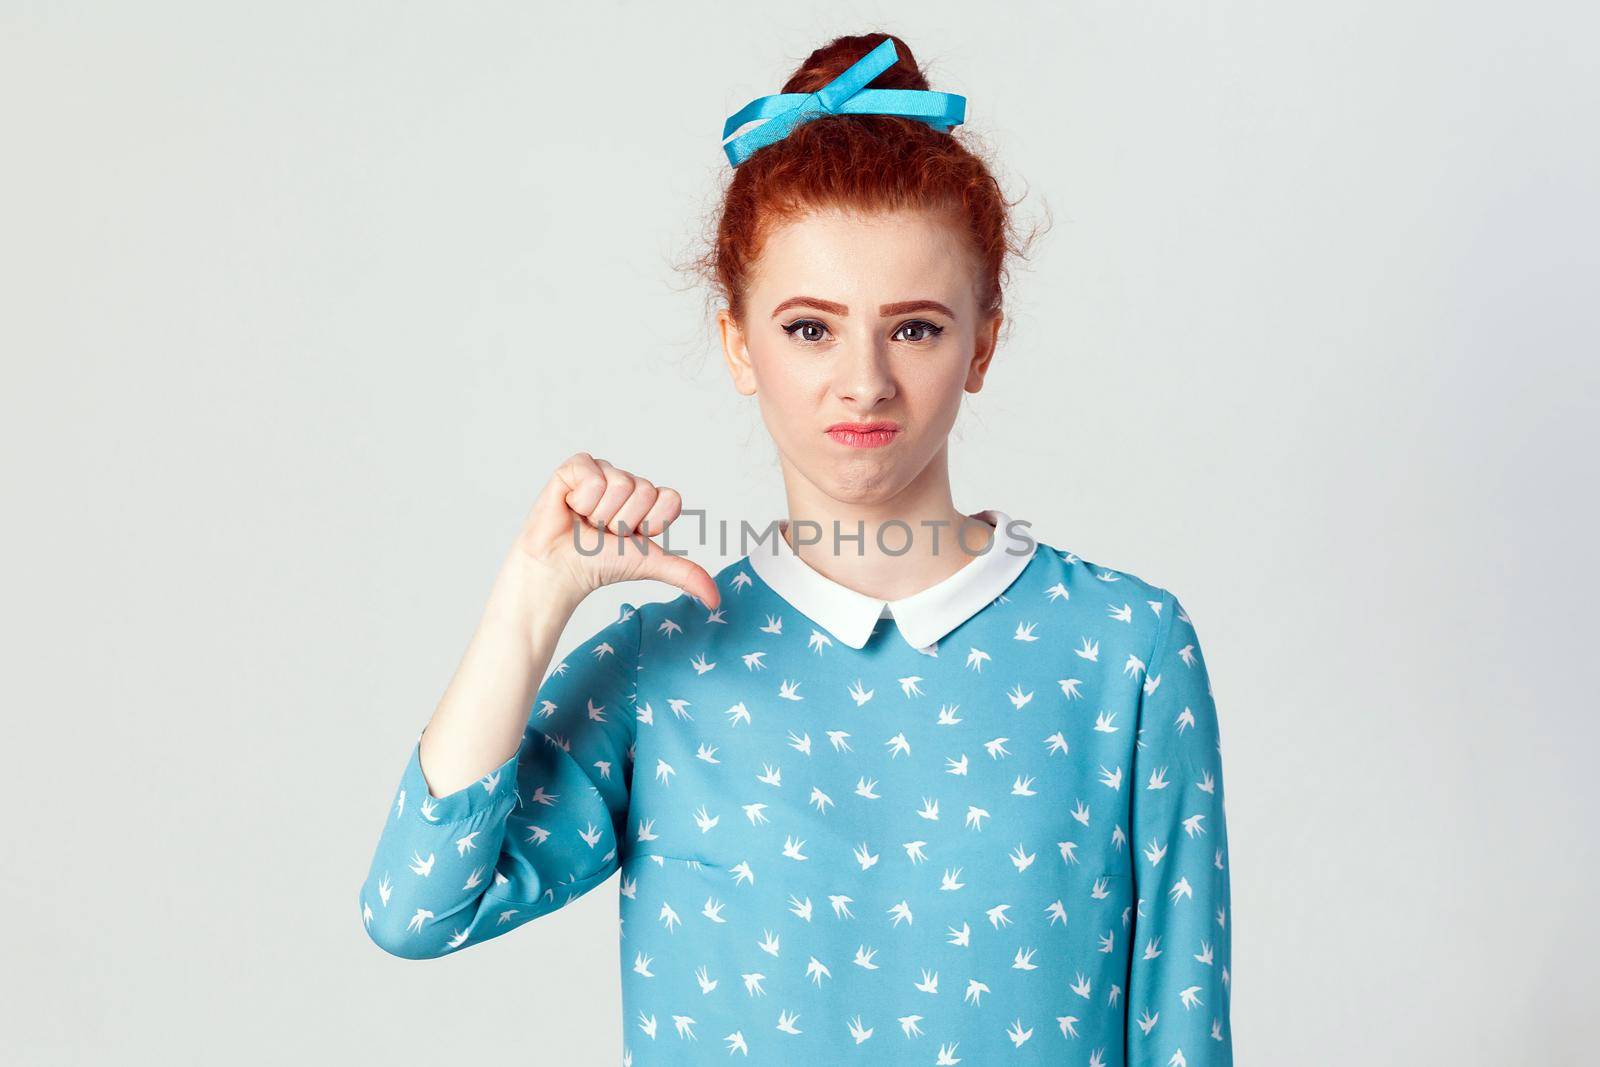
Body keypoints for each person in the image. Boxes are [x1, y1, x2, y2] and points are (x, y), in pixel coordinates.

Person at [357, 31, 1234, 1066]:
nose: (862, 382)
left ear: (982, 344)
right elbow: (417, 905)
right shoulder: (664, 665)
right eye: (809, 328)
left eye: (913, 328)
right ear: (739, 344)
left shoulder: (1123, 650)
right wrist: (528, 603)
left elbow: (1182, 1027)